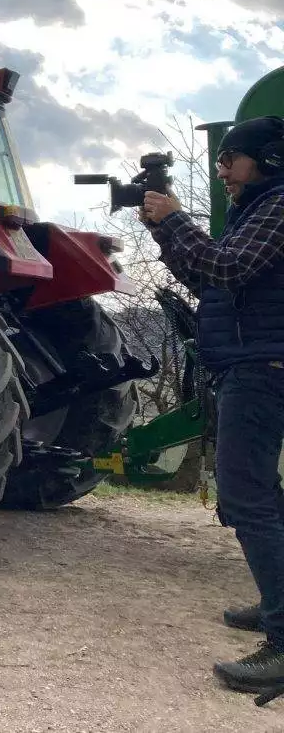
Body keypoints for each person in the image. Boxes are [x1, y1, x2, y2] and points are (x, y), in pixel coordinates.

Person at [141, 116, 284, 695]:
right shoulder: (257, 212)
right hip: (250, 366)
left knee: (246, 498)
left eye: (232, 158)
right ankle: (279, 601)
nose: (222, 168)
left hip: (262, 368)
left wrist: (176, 217)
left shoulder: (278, 204)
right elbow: (213, 283)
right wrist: (163, 232)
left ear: (267, 160)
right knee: (264, 495)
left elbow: (223, 267)